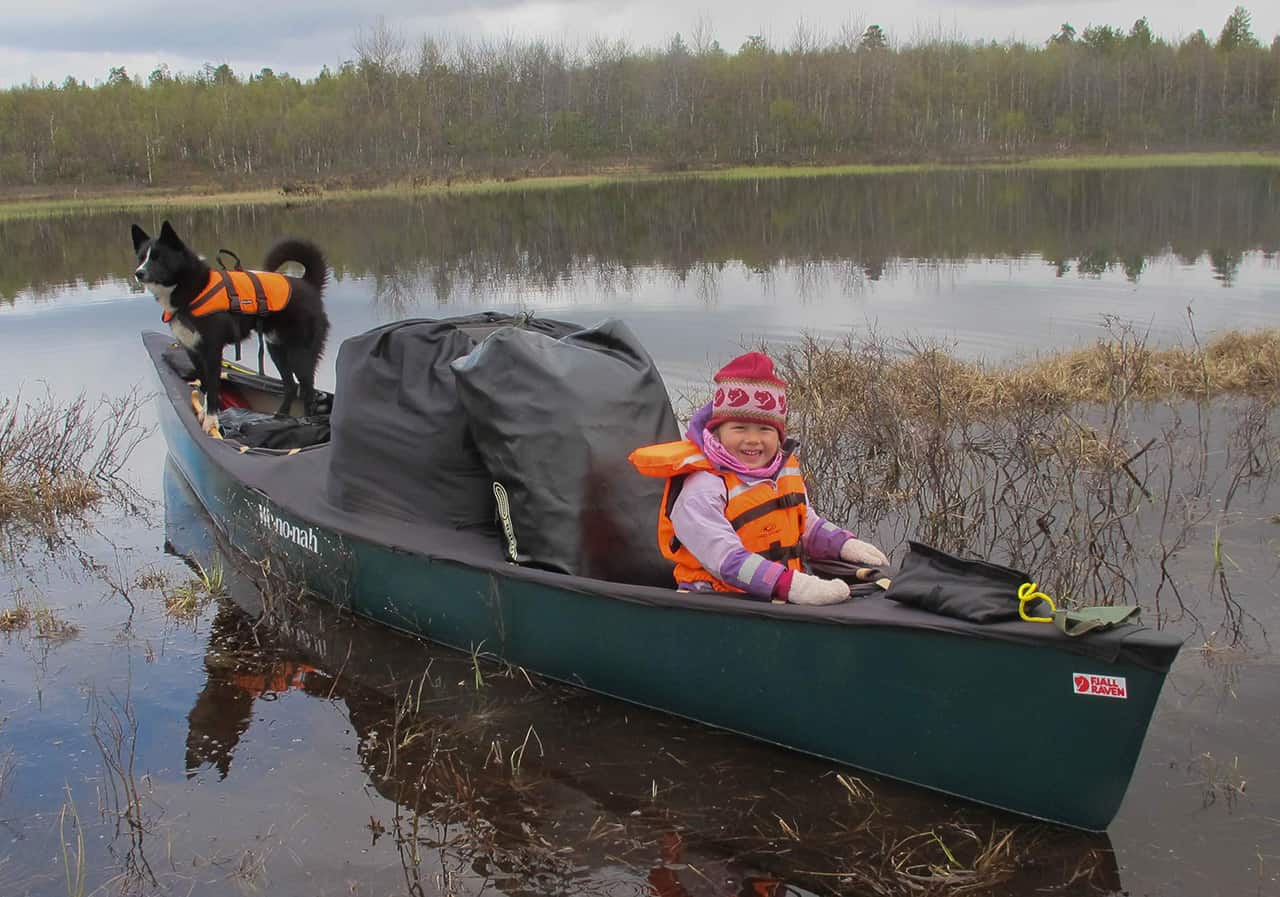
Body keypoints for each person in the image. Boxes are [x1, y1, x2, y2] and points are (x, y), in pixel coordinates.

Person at [629, 351, 887, 606]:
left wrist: (843, 544)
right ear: (717, 433)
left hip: (777, 593)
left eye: (764, 429)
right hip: (716, 603)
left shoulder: (782, 470)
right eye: (739, 428)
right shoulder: (702, 490)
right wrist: (794, 586)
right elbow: (727, 560)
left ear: (779, 436)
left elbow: (804, 522)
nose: (752, 440)